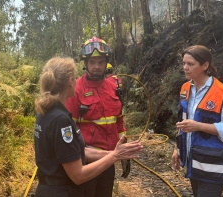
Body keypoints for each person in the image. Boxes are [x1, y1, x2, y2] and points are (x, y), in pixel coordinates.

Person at [34, 57, 143, 197]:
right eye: (74, 77)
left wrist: (115, 154)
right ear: (70, 81)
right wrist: (115, 155)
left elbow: (76, 152)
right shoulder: (61, 120)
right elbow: (78, 175)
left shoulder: (45, 112)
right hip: (60, 191)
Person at [171, 45, 223, 197]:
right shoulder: (185, 89)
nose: (185, 68)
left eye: (190, 64)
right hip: (193, 162)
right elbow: (183, 122)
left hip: (212, 164)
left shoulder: (222, 93)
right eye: (184, 63)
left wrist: (199, 126)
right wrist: (177, 147)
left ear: (205, 65)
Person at [65, 36, 127, 197]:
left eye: (100, 62)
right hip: (86, 162)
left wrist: (124, 152)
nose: (97, 67)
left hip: (109, 160)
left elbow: (119, 122)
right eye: (92, 63)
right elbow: (67, 128)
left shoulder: (114, 87)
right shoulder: (76, 88)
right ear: (85, 64)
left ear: (106, 62)